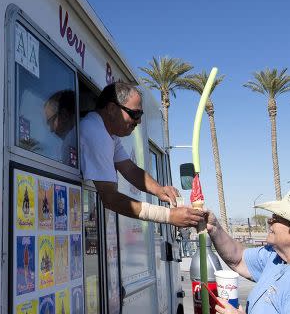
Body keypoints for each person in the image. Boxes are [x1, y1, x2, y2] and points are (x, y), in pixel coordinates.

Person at [79, 82, 204, 228]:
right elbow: (110, 198)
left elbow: (130, 169)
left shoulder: (108, 134)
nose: (138, 121)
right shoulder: (96, 133)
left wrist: (159, 190)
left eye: (141, 115)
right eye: (135, 114)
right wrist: (168, 216)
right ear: (112, 109)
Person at [43, 89, 78, 167]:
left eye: (51, 121)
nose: (51, 129)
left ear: (64, 115)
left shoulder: (70, 141)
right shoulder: (77, 136)